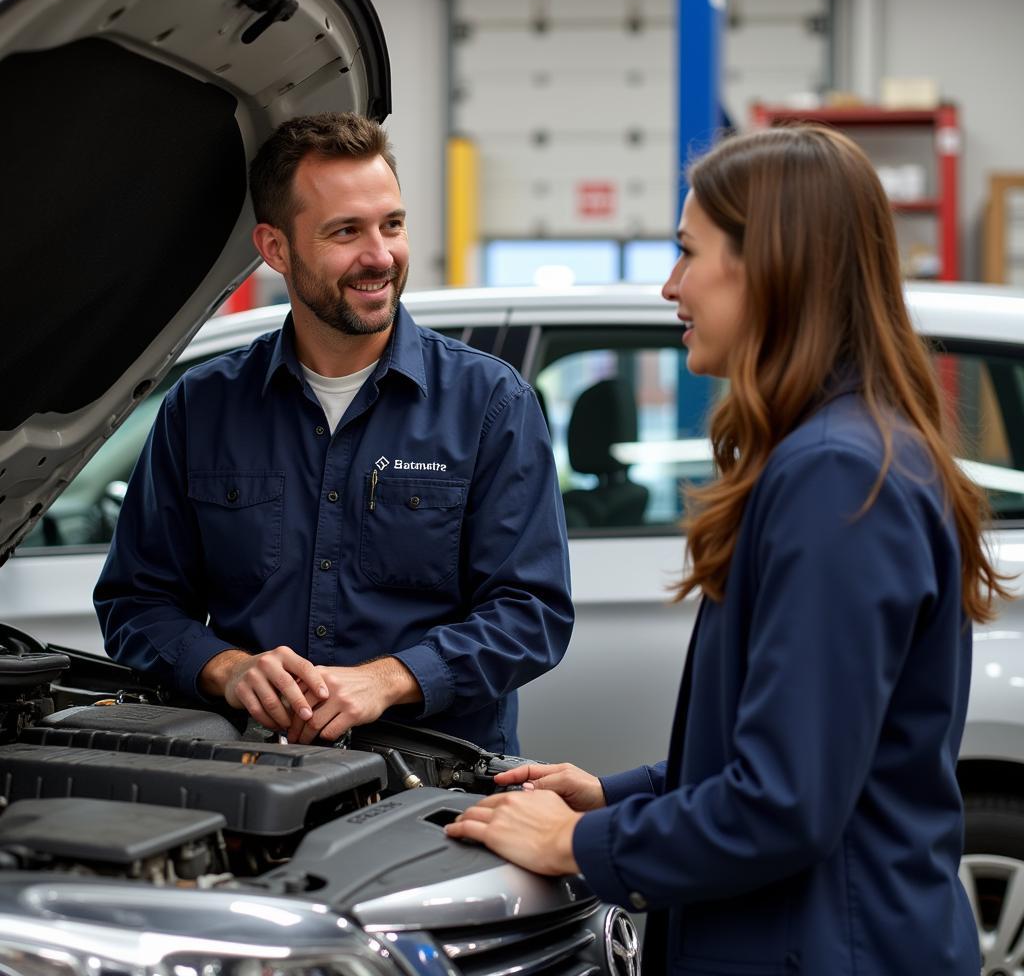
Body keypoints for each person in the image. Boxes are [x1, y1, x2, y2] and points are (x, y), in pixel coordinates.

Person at [445, 125, 1008, 974]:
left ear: (771, 265)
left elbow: (784, 805)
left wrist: (580, 843)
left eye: (687, 253)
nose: (670, 286)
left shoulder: (834, 481)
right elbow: (791, 748)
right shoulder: (837, 454)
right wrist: (615, 794)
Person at [94, 112, 573, 753]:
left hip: (432, 777)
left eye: (392, 225)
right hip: (246, 769)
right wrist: (228, 668)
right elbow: (136, 602)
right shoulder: (200, 409)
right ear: (276, 249)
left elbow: (530, 614)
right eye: (346, 231)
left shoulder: (491, 404)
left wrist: (390, 678)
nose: (380, 255)